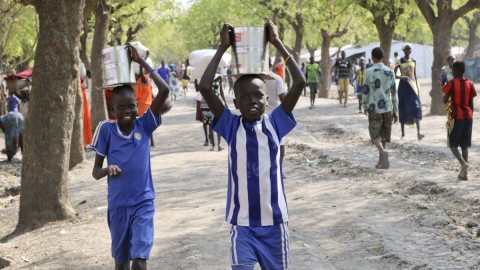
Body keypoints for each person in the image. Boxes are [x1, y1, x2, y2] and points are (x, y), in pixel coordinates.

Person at [196, 21, 306, 270]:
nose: (253, 101)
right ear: (236, 103)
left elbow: (299, 83)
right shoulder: (230, 126)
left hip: (275, 225)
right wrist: (223, 47)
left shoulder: (276, 124)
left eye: (258, 95)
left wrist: (277, 43)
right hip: (242, 226)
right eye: (245, 97)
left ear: (268, 99)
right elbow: (204, 86)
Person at [89, 45, 170, 270]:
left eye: (131, 106)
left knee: (140, 260)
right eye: (121, 107)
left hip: (143, 202)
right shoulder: (106, 130)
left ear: (138, 106)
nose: (127, 111)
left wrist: (141, 63)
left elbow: (163, 91)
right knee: (121, 263)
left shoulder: (144, 125)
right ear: (113, 110)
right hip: (118, 206)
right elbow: (96, 173)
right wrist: (108, 169)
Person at [363, 47, 398, 169]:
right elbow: (394, 93)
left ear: (373, 57)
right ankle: (382, 162)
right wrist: (395, 110)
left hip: (374, 107)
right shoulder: (390, 71)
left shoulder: (368, 71)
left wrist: (364, 104)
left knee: (374, 135)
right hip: (387, 107)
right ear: (382, 57)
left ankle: (382, 153)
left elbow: (366, 90)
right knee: (384, 134)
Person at [443, 61, 476, 181]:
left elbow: (445, 99)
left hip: (456, 117)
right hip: (468, 117)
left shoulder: (451, 83)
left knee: (452, 144)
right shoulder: (470, 84)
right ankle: (464, 174)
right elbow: (471, 104)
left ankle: (463, 164)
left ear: (454, 71)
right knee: (464, 145)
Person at [394, 44, 424, 140]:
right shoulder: (400, 61)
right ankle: (403, 134)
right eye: (407, 49)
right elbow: (395, 75)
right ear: (404, 50)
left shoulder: (414, 60)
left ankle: (419, 133)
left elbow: (414, 75)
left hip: (413, 87)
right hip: (403, 87)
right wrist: (401, 77)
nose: (408, 51)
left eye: (409, 49)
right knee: (403, 108)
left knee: (416, 107)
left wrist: (417, 88)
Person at [196, 75, 227, 151]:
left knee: (217, 122)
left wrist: (225, 102)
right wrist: (197, 81)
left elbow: (221, 91)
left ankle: (218, 145)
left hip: (215, 102)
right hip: (207, 103)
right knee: (211, 124)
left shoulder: (218, 78)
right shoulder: (204, 77)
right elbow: (198, 89)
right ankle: (214, 145)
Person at [266, 59, 287, 163]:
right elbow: (283, 99)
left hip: (260, 116)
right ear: (270, 64)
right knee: (280, 142)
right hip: (275, 114)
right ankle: (279, 169)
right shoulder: (276, 78)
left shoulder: (256, 78)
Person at [80, 78, 92, 148]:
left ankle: (84, 142)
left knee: (84, 117)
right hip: (81, 92)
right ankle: (82, 142)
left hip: (83, 92)